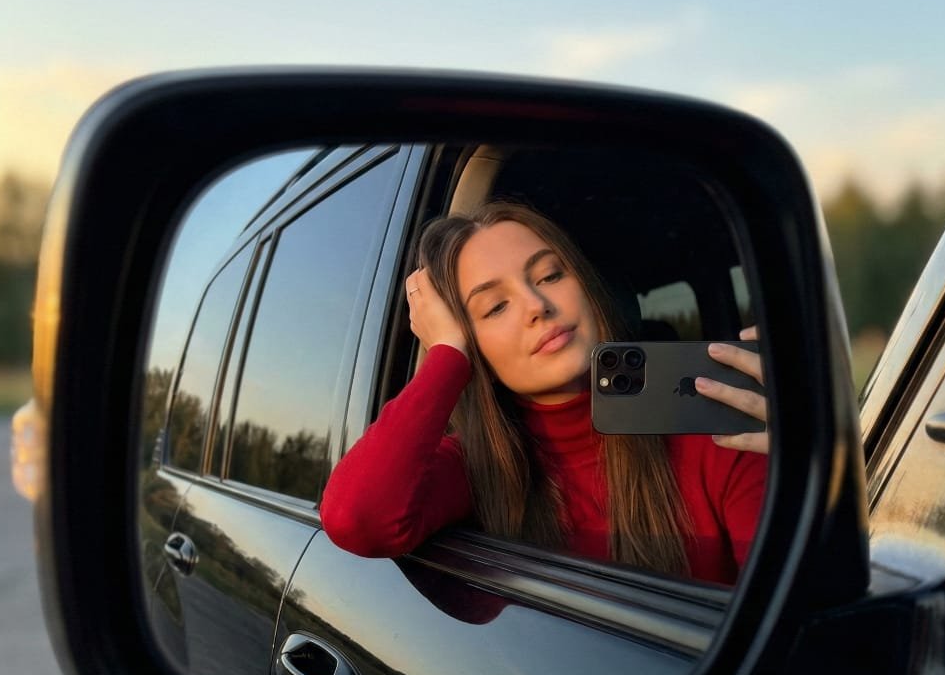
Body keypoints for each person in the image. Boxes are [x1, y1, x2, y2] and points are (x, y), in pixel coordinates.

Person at [320, 202, 769, 586]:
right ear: (474, 349)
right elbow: (357, 518)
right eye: (495, 306)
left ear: (588, 290)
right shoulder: (479, 468)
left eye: (551, 275)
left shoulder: (716, 426)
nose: (537, 305)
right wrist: (447, 355)